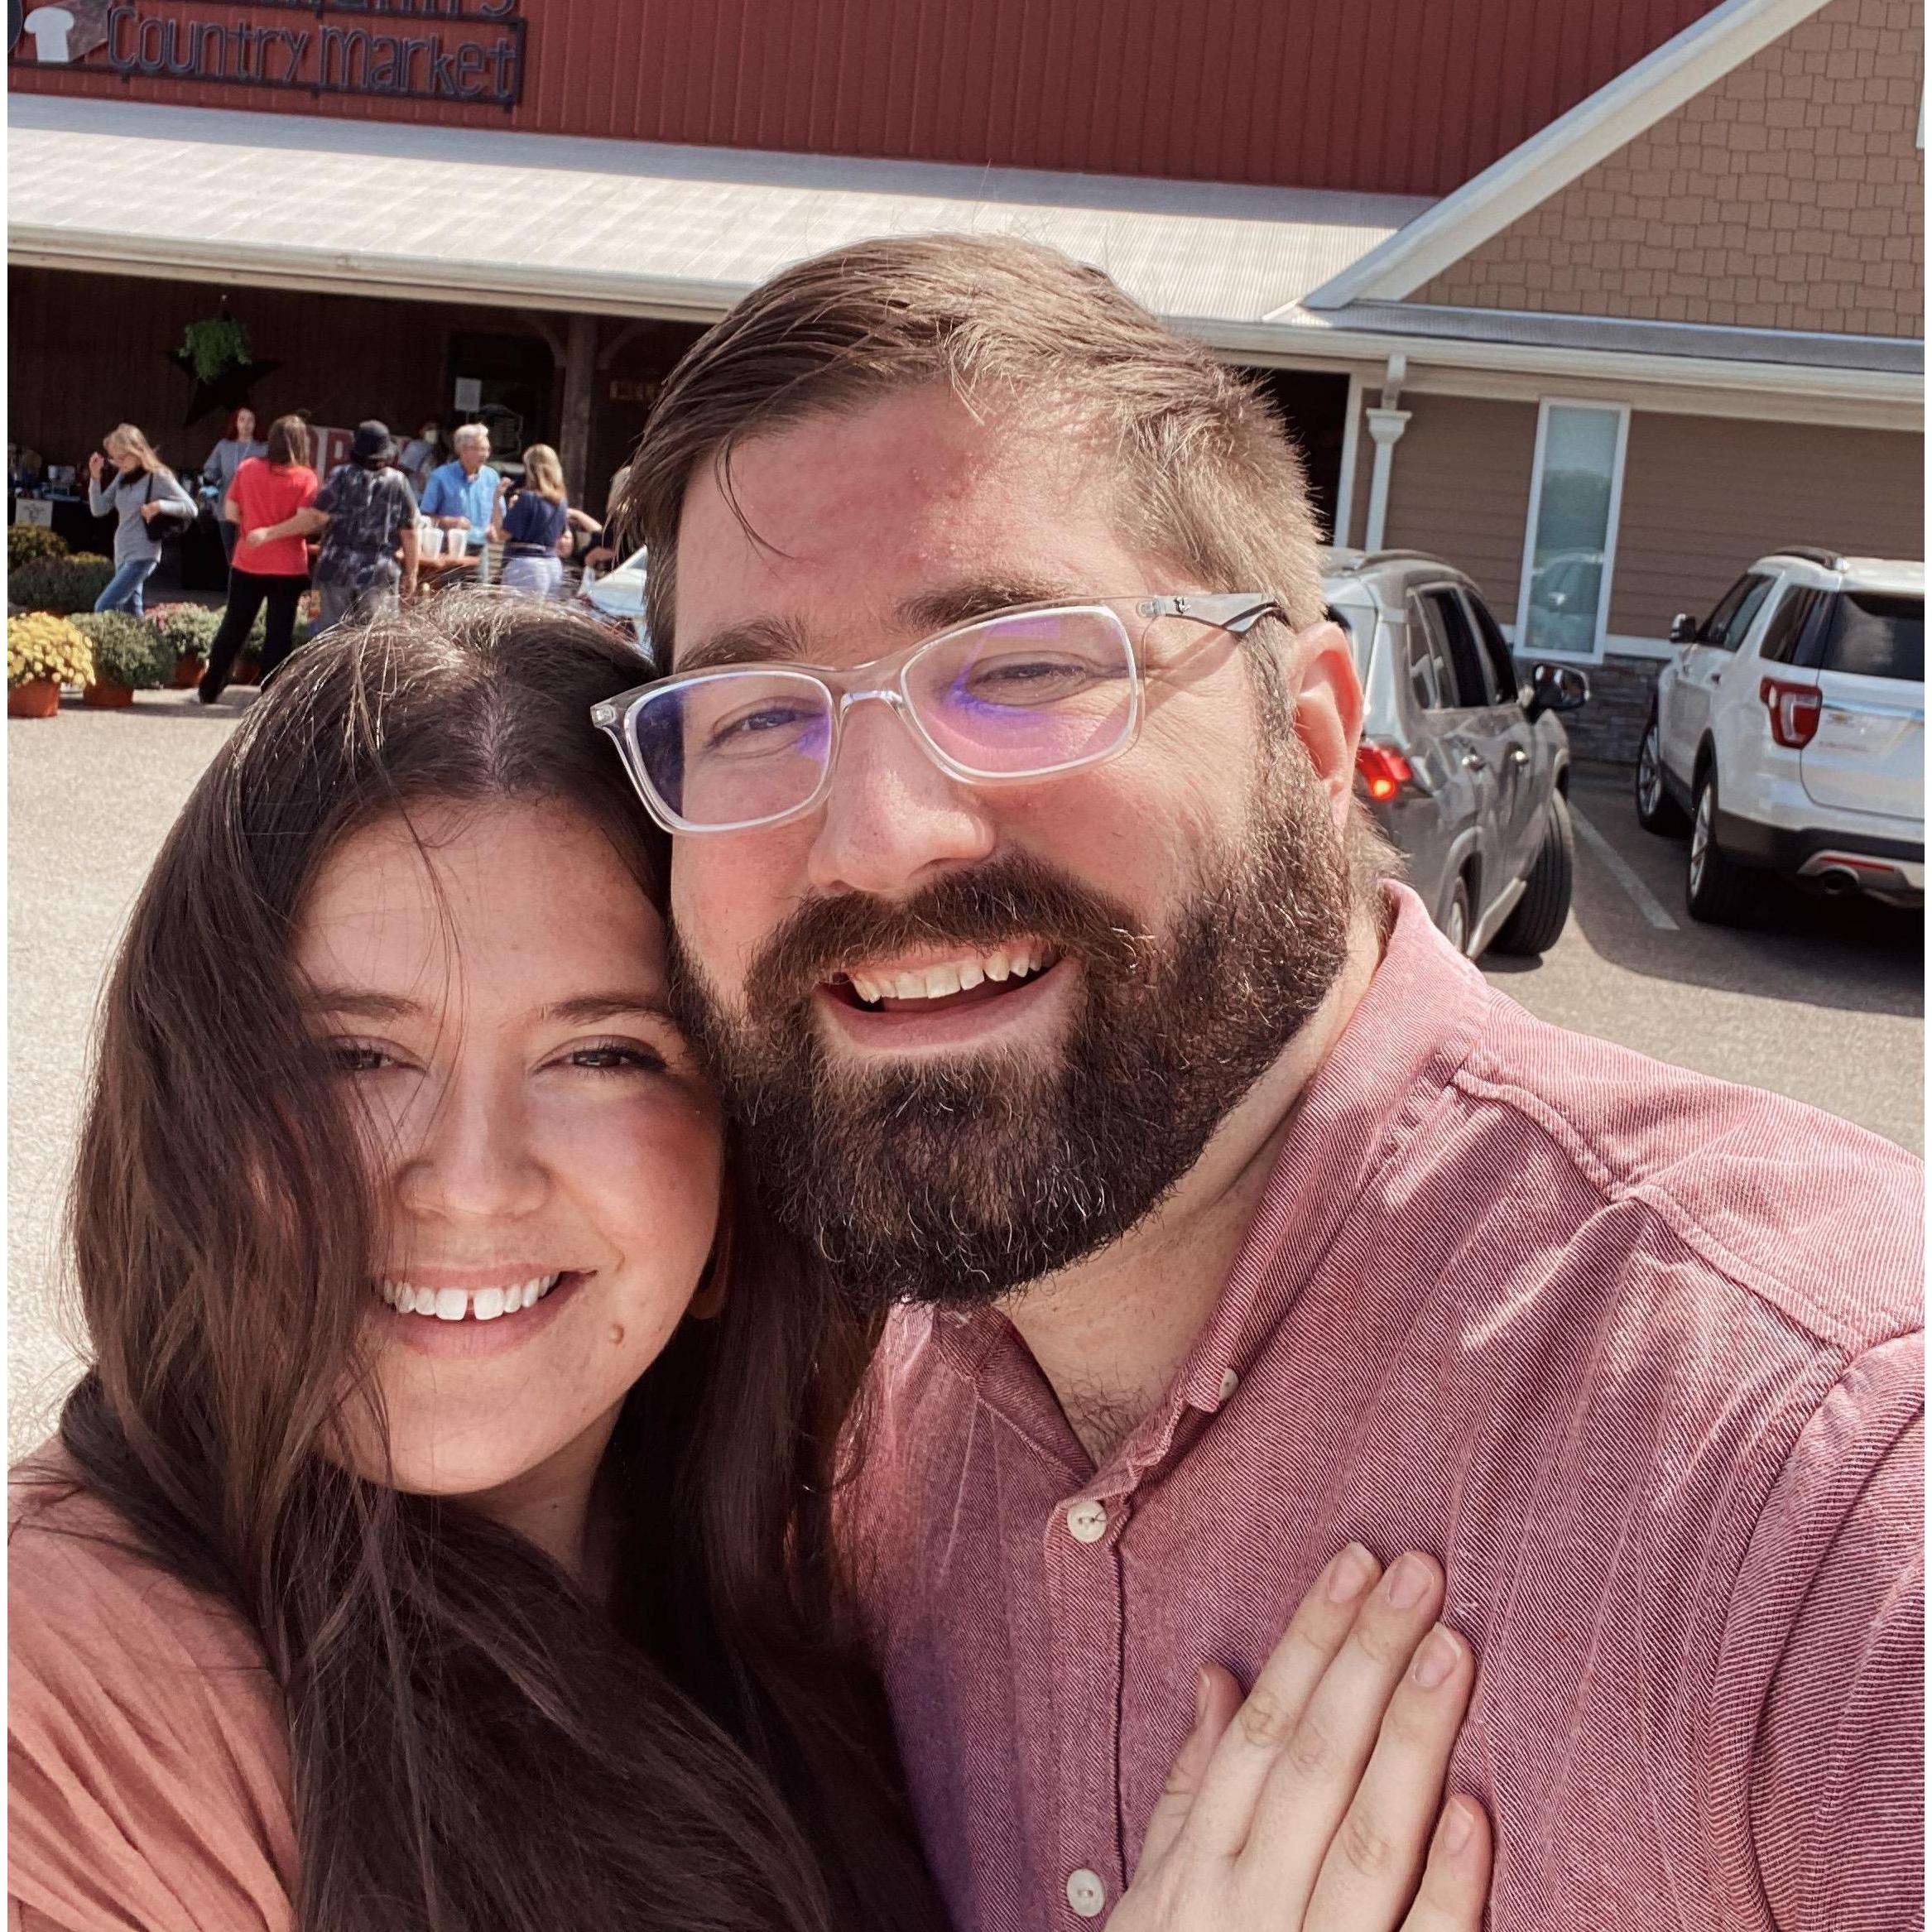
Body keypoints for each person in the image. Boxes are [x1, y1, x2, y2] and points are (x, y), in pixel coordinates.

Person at [612, 234, 1925, 1932]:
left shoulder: (1823, 1486)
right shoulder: (828, 1435)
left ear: (1311, 739)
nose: (873, 836)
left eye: (1019, 669)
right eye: (751, 715)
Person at [8, 599, 1489, 1932]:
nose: (466, 1181)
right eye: (351, 1055)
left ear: (739, 1174)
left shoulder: (820, 1569)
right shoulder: (64, 1691)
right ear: (188, 1105)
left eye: (602, 1053)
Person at [250, 419, 418, 637]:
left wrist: (270, 533)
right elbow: (410, 533)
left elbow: (316, 517)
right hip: (379, 574)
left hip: (331, 570)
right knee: (377, 641)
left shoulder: (340, 475)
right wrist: (412, 573)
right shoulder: (399, 482)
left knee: (320, 633)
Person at [198, 413, 319, 703]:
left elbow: (230, 512)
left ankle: (210, 686)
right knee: (279, 632)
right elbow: (306, 522)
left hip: (248, 561)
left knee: (234, 625)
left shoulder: (248, 468)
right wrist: (273, 533)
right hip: (288, 566)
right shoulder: (306, 478)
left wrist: (256, 527)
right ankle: (270, 695)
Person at [84, 422, 195, 616]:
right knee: (131, 612)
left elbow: (191, 508)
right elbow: (99, 509)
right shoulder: (122, 475)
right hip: (122, 553)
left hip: (143, 553)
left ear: (136, 450)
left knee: (104, 605)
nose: (119, 463)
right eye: (114, 459)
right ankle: (146, 636)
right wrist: (95, 478)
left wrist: (159, 505)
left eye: (122, 457)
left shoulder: (158, 476)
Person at [494, 441, 573, 600]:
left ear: (530, 469)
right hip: (553, 565)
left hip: (527, 566)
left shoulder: (528, 498)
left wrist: (497, 501)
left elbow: (502, 535)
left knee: (519, 615)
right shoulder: (561, 502)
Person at [418, 421, 502, 555]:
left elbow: (500, 513)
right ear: (462, 450)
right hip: (448, 546)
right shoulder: (441, 476)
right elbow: (425, 516)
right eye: (479, 449)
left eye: (487, 449)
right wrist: (450, 522)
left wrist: (494, 527)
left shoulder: (491, 477)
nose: (485, 454)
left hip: (482, 548)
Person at [204, 407, 267, 565]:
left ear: (256, 424)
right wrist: (212, 498)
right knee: (230, 553)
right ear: (235, 423)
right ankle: (233, 580)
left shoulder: (263, 448)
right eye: (242, 419)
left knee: (245, 551)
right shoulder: (224, 446)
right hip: (225, 507)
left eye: (250, 420)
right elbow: (210, 474)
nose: (246, 424)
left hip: (251, 509)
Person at [396, 416, 443, 496]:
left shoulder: (439, 450)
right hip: (415, 495)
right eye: (430, 429)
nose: (433, 432)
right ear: (421, 431)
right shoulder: (417, 446)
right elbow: (403, 470)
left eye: (436, 429)